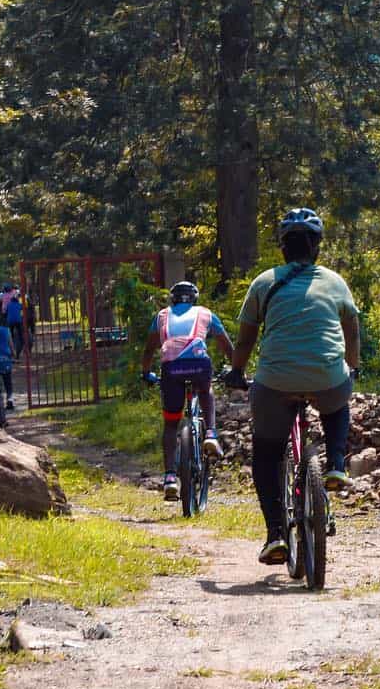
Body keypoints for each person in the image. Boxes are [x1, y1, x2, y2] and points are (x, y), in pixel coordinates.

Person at [226, 208, 360, 566]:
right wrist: (353, 368)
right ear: (318, 247)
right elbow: (352, 332)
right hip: (327, 379)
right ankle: (335, 465)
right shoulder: (335, 282)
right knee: (337, 403)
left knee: (267, 454)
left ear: (283, 248)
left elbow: (245, 340)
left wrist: (236, 371)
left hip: (275, 383)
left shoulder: (263, 282)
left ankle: (275, 535)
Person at [140, 281, 234, 501]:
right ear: (195, 298)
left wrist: (145, 373)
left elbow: (149, 349)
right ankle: (210, 434)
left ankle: (170, 479)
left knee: (171, 424)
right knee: (206, 390)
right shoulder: (205, 313)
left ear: (173, 299)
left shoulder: (162, 316)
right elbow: (227, 345)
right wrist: (237, 369)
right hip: (199, 364)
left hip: (171, 368)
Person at [4, 288, 26, 356]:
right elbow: (22, 310)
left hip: (10, 321)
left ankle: (11, 340)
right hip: (18, 321)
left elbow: (6, 311)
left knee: (10, 332)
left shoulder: (9, 305)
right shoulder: (19, 304)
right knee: (20, 333)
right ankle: (22, 340)